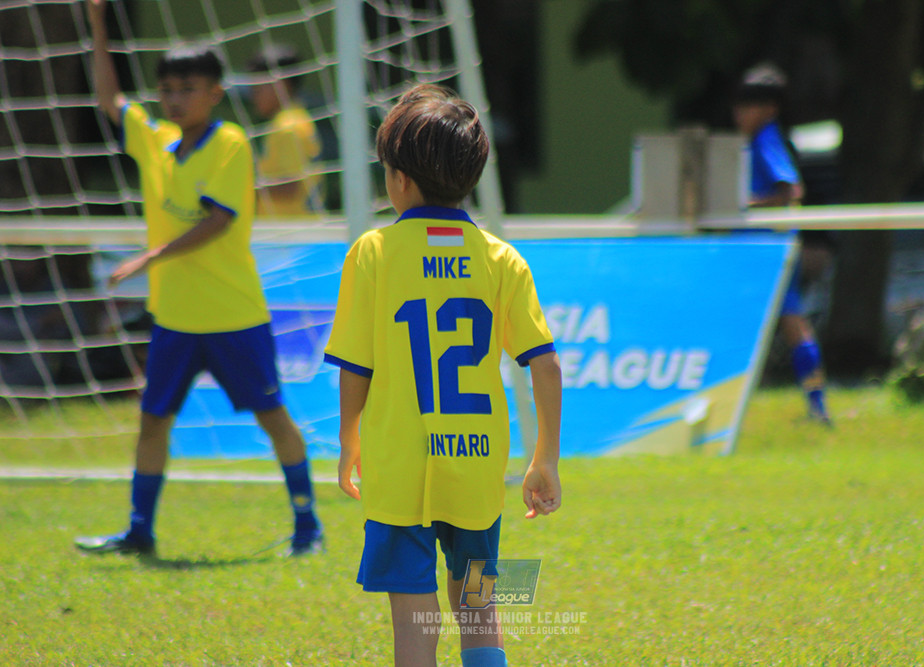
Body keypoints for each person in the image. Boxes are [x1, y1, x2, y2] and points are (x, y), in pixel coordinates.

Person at [324, 83, 563, 667]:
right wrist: (544, 459)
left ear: (400, 180)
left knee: (414, 616)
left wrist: (348, 439)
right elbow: (545, 363)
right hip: (476, 464)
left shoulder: (373, 252)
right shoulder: (502, 258)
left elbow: (357, 366)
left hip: (400, 463)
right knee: (479, 604)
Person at [75, 0, 323, 557]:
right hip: (176, 320)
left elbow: (219, 220)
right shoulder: (156, 140)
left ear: (214, 92)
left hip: (233, 315)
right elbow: (111, 101)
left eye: (188, 87)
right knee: (152, 422)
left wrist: (150, 257)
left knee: (272, 415)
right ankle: (140, 531)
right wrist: (97, 26)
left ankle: (308, 526)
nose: (175, 97)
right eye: (167, 89)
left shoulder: (231, 143)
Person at [732, 62, 832, 424]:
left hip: (767, 253)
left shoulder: (766, 140)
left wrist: (741, 204)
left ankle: (815, 405)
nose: (739, 113)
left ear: (769, 108)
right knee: (792, 325)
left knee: (781, 326)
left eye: (748, 105)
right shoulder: (763, 139)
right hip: (764, 251)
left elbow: (790, 190)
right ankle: (816, 405)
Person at [246, 44, 322, 219]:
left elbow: (291, 186)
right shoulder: (291, 119)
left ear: (281, 84)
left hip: (291, 234)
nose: (252, 96)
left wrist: (242, 189)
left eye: (257, 88)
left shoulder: (289, 127)